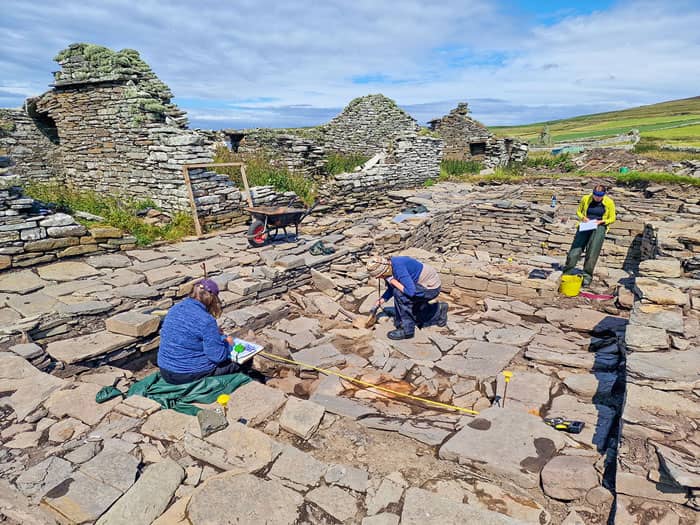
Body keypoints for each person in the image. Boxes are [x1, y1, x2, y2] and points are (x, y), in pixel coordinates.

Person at [158, 278, 247, 385]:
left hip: (164, 369)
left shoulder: (175, 309)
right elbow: (218, 357)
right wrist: (228, 344)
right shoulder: (206, 320)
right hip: (185, 375)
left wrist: (213, 333)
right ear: (212, 299)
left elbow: (187, 332)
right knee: (243, 362)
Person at [366, 255, 448, 340]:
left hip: (430, 289)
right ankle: (439, 310)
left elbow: (410, 292)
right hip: (418, 285)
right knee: (414, 313)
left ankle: (407, 330)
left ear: (384, 271)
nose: (378, 278)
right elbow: (392, 287)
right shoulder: (389, 266)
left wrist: (392, 281)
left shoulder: (398, 268)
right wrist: (381, 300)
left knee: (399, 294)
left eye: (380, 276)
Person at [562, 184, 617, 286]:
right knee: (575, 249)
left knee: (592, 252)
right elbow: (579, 212)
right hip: (586, 225)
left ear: (604, 195)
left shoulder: (609, 202)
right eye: (595, 195)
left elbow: (612, 218)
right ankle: (567, 271)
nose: (597, 198)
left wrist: (602, 221)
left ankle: (587, 276)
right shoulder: (586, 199)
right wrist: (583, 218)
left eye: (600, 196)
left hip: (599, 226)